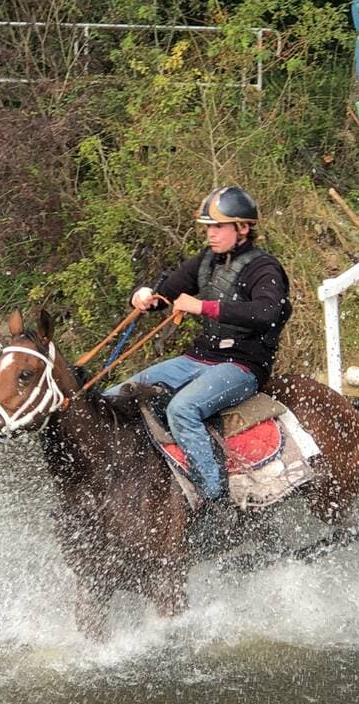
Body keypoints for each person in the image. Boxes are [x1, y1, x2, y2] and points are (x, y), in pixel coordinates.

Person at [105, 185, 291, 507]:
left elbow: (267, 312)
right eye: (208, 227)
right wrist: (145, 297)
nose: (211, 234)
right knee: (115, 397)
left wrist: (203, 307)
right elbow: (167, 293)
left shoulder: (265, 268)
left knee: (183, 409)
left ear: (243, 228)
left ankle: (213, 497)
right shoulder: (206, 262)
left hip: (243, 366)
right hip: (199, 358)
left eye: (218, 226)